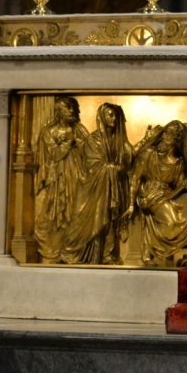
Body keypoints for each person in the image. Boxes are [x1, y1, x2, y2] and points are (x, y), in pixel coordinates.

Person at [62, 102, 134, 265]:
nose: (113, 118)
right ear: (102, 117)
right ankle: (74, 252)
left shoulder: (118, 140)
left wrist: (146, 141)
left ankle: (107, 255)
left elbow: (130, 157)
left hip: (111, 188)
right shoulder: (93, 140)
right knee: (90, 222)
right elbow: (93, 166)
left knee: (109, 221)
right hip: (92, 189)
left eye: (115, 115)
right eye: (109, 114)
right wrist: (114, 169)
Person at [127, 120, 187, 267]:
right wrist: (131, 203)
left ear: (177, 139)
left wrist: (185, 185)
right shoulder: (149, 154)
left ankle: (167, 250)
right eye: (165, 132)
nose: (164, 136)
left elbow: (178, 186)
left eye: (169, 134)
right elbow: (135, 179)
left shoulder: (178, 162)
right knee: (170, 221)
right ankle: (158, 249)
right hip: (150, 194)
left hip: (167, 195)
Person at [33, 95, 89, 263]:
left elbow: (90, 153)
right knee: (57, 213)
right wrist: (69, 141)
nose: (71, 111)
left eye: (73, 108)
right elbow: (54, 155)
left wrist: (80, 145)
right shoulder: (49, 131)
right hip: (57, 179)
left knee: (76, 212)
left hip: (78, 176)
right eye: (67, 108)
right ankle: (54, 251)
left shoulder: (81, 130)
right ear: (58, 112)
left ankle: (72, 252)